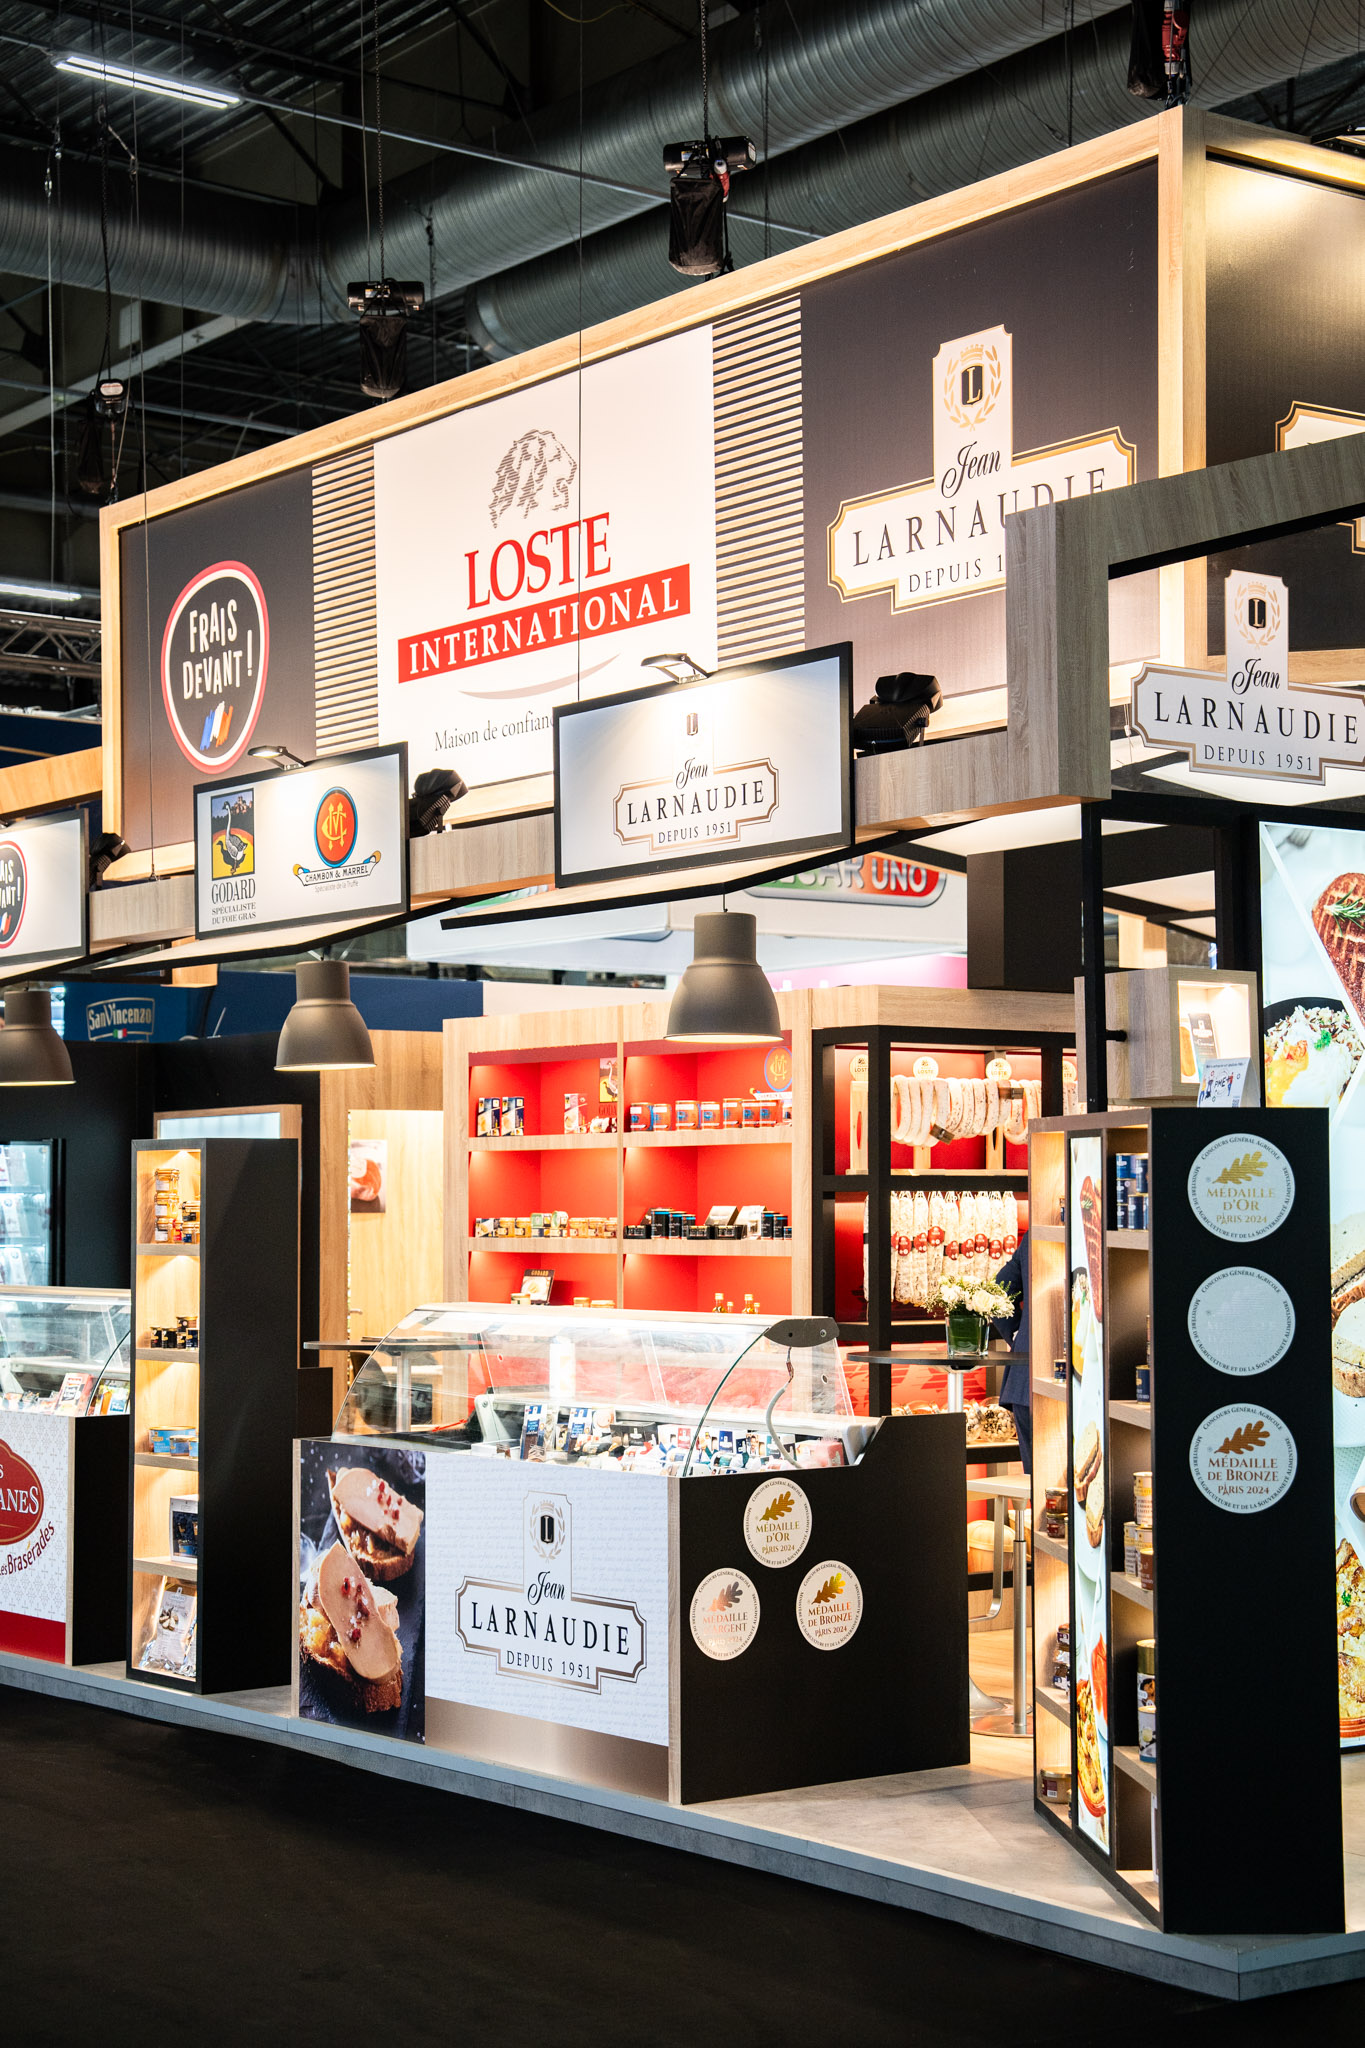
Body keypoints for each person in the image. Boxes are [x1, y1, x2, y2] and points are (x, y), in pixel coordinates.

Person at [991, 1230, 1031, 1474]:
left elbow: (1000, 1289)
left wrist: (1018, 1336)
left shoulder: (1034, 1234)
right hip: (1072, 1381)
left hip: (1024, 1381)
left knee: (1038, 1482)